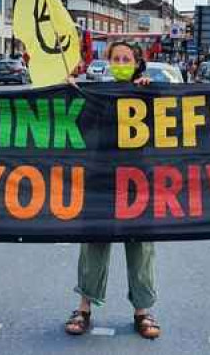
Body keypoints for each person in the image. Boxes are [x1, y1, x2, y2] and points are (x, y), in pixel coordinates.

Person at [64, 41, 161, 340]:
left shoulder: (148, 93)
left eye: (126, 58)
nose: (120, 62)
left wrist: (146, 95)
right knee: (94, 241)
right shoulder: (100, 95)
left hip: (137, 180)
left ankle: (143, 312)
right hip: (101, 177)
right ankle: (83, 308)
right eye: (115, 58)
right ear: (108, 63)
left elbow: (163, 131)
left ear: (137, 63)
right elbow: (81, 125)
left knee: (140, 245)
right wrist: (71, 90)